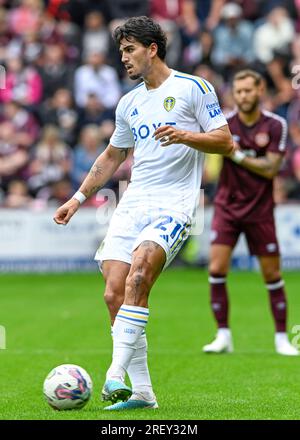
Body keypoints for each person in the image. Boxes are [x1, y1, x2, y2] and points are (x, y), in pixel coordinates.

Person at [53, 16, 233, 410]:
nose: (124, 58)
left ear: (153, 49)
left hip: (177, 204)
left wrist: (186, 135)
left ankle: (114, 374)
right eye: (121, 51)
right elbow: (113, 155)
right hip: (133, 202)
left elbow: (225, 141)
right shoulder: (129, 102)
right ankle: (143, 393)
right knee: (113, 293)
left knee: (138, 277)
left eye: (130, 49)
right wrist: (78, 197)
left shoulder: (192, 87)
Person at [203, 69, 299, 356]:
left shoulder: (275, 125)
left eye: (248, 90)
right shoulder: (223, 125)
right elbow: (210, 162)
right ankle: (223, 335)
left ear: (259, 91)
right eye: (238, 91)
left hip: (260, 210)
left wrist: (237, 154)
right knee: (217, 269)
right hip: (227, 207)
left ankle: (281, 337)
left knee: (272, 274)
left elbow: (271, 168)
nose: (243, 95)